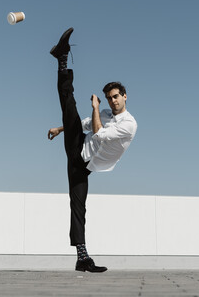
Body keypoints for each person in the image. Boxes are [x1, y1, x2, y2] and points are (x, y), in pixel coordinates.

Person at [47, 27, 138, 273]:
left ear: (125, 97)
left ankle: (82, 258)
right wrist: (60, 128)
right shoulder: (106, 112)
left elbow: (98, 132)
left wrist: (97, 108)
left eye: (116, 96)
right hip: (77, 144)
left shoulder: (129, 124)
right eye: (108, 97)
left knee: (78, 206)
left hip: (84, 165)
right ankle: (62, 58)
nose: (112, 100)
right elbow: (86, 125)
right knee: (69, 103)